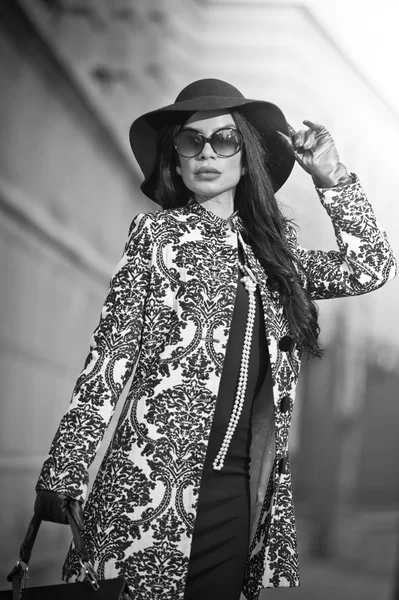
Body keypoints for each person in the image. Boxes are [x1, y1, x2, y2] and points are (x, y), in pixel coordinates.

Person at [33, 79, 396, 600]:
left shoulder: (276, 257)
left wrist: (333, 179)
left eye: (224, 140)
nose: (207, 153)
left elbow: (371, 267)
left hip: (239, 493)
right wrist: (63, 471)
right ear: (175, 159)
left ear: (247, 157)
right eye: (190, 142)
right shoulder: (156, 238)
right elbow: (109, 359)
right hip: (147, 484)